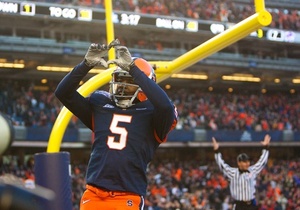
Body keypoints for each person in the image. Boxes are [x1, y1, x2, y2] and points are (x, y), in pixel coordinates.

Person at [54, 39, 178, 210]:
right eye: (119, 81)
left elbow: (165, 106)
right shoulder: (101, 103)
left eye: (128, 84)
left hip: (127, 196)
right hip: (94, 193)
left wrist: (134, 70)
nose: (120, 87)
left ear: (143, 88)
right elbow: (63, 92)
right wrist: (85, 65)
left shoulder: (153, 114)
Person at [212, 134, 271, 210]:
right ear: (239, 163)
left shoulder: (252, 170)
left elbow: (262, 162)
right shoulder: (233, 173)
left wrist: (266, 148)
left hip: (251, 203)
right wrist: (216, 151)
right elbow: (221, 164)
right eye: (244, 162)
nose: (247, 164)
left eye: (248, 161)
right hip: (239, 204)